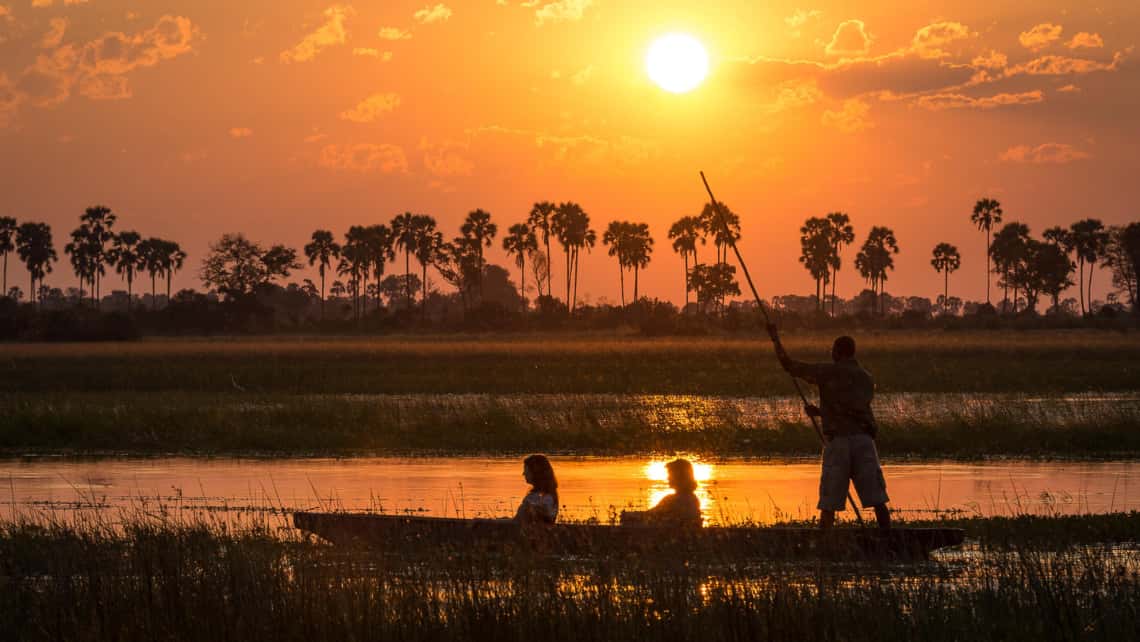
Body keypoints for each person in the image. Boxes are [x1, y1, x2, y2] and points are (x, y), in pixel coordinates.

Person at [766, 325, 891, 530]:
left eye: (833, 351)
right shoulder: (866, 378)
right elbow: (852, 410)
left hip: (839, 442)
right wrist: (822, 413)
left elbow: (789, 366)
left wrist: (775, 339)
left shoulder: (828, 372)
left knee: (829, 503)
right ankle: (889, 540)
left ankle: (824, 544)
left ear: (838, 352)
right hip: (864, 441)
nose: (831, 354)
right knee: (878, 498)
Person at [621, 458, 702, 527]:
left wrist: (628, 515)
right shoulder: (693, 499)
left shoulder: (674, 500)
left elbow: (650, 515)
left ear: (679, 476)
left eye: (670, 475)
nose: (668, 478)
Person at [514, 454, 559, 524]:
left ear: (535, 472)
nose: (523, 474)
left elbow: (517, 522)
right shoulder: (549, 495)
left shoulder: (539, 498)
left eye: (526, 470)